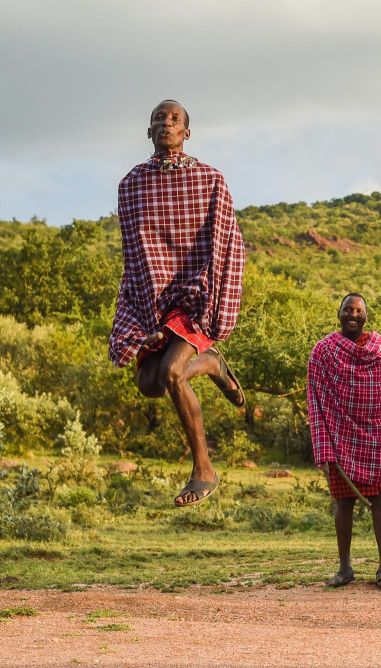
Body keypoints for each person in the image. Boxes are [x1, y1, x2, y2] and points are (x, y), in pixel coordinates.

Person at [109, 99, 245, 507]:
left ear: (187, 132)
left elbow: (227, 240)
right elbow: (134, 253)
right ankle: (212, 364)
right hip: (152, 296)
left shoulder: (209, 179)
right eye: (158, 119)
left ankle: (204, 470)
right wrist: (137, 307)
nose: (165, 123)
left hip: (194, 293)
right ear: (148, 131)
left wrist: (216, 291)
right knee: (149, 384)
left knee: (170, 372)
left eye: (174, 119)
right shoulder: (131, 184)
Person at [308, 293, 381, 591]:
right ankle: (344, 567)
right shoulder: (323, 351)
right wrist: (324, 447)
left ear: (366, 315)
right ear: (338, 313)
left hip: (377, 438)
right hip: (339, 438)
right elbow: (316, 400)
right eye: (347, 309)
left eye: (358, 310)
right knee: (342, 503)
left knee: (380, 502)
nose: (353, 314)